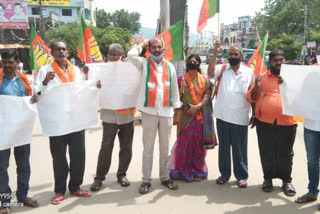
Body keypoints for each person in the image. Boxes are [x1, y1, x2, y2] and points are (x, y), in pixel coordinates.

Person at [33, 40, 93, 205]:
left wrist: (91, 80)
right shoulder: (45, 70)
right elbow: (36, 93)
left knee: (78, 155)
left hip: (75, 120)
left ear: (68, 51)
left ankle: (75, 187)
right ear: (51, 52)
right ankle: (59, 190)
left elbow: (83, 89)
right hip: (57, 121)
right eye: (57, 49)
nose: (61, 51)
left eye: (64, 49)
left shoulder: (76, 70)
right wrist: (45, 82)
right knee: (59, 157)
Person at [127, 38, 180, 194]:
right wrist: (142, 44)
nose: (157, 49)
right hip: (149, 111)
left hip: (166, 112)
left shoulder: (170, 66)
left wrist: (177, 111)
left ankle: (165, 177)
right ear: (149, 49)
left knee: (165, 148)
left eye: (159, 47)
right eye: (153, 47)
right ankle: (146, 180)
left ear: (163, 48)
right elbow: (130, 55)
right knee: (148, 148)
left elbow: (175, 90)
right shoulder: (143, 64)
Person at [247, 49, 297, 196]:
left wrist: (286, 84)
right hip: (265, 121)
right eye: (275, 60)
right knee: (267, 151)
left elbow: (300, 97)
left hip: (287, 121)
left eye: (281, 59)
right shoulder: (261, 77)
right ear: (270, 62)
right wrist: (256, 86)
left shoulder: (292, 78)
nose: (279, 63)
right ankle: (267, 179)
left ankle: (286, 181)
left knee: (286, 153)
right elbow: (251, 98)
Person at [88, 43, 135, 191]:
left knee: (126, 146)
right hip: (109, 114)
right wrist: (93, 80)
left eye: (116, 54)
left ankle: (122, 174)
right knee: (106, 146)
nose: (113, 56)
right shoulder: (101, 69)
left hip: (126, 113)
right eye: (110, 53)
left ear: (121, 55)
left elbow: (135, 84)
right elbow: (92, 84)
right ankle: (99, 178)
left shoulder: (129, 68)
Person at [208, 41, 254, 188]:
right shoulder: (222, 69)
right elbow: (209, 73)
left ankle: (242, 176)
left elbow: (253, 94)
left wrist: (254, 114)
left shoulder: (249, 72)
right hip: (222, 116)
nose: (233, 56)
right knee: (224, 148)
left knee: (240, 148)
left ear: (241, 56)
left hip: (240, 117)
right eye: (230, 54)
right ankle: (224, 174)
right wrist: (215, 53)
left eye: (235, 54)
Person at [0, 51, 38, 214]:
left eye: (10, 62)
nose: (7, 65)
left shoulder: (23, 79)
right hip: (2, 130)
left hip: (21, 130)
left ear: (17, 62)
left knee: (23, 165)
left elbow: (28, 100)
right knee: (2, 168)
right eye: (4, 62)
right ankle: (4, 202)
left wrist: (33, 99)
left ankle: (23, 196)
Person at [170, 54, 217, 182]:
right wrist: (182, 92)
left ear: (199, 64)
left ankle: (197, 170)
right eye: (190, 61)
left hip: (199, 117)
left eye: (195, 61)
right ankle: (181, 170)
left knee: (197, 146)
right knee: (184, 145)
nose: (193, 63)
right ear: (187, 64)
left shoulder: (205, 80)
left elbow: (207, 96)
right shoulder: (181, 80)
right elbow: (176, 99)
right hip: (185, 116)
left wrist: (198, 106)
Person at [295, 46, 320, 208]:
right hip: (311, 125)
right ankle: (312, 192)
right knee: (312, 162)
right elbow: (298, 91)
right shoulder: (310, 72)